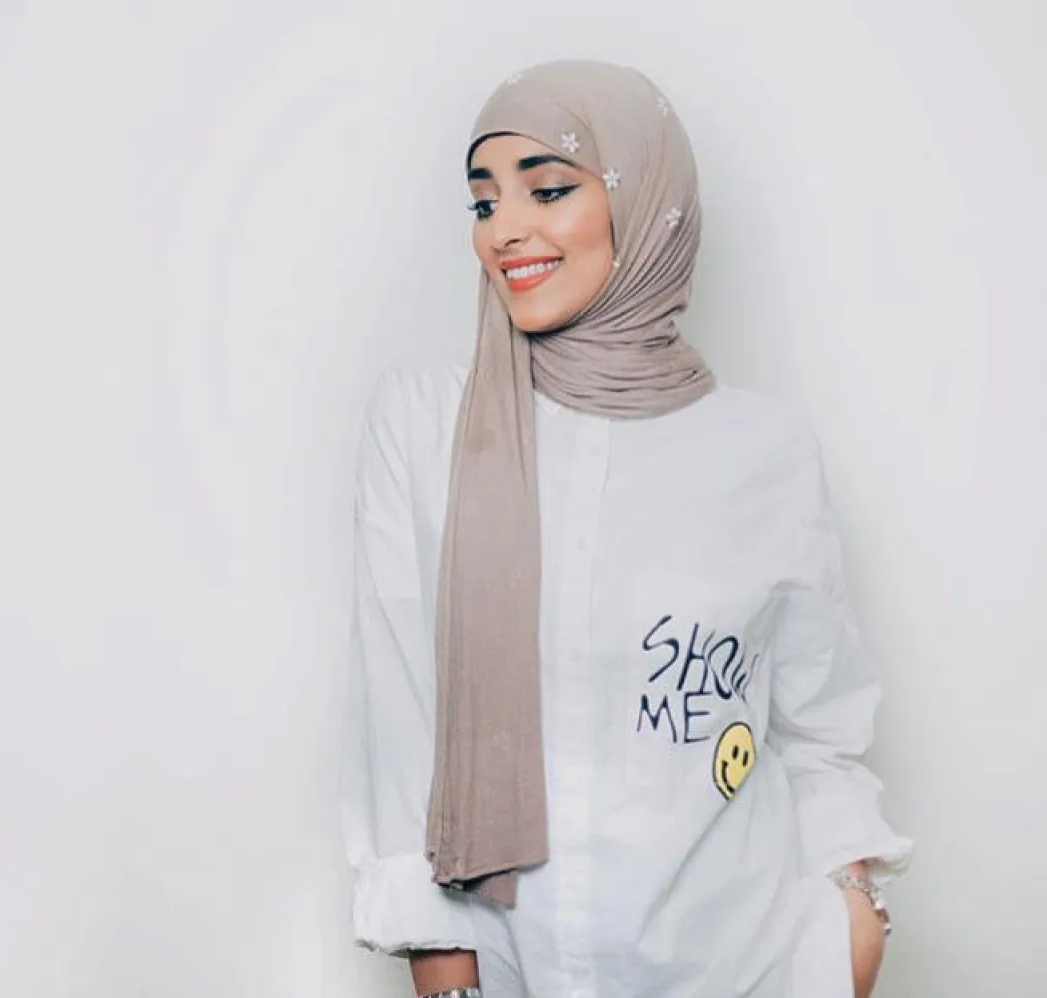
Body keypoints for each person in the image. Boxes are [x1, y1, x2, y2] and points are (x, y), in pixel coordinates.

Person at [339, 59, 912, 998]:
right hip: (513, 968)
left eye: (548, 189)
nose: (503, 229)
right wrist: (446, 978)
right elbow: (400, 724)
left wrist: (853, 916)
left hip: (749, 964)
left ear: (646, 202)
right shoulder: (427, 423)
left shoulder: (764, 450)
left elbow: (819, 725)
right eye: (483, 202)